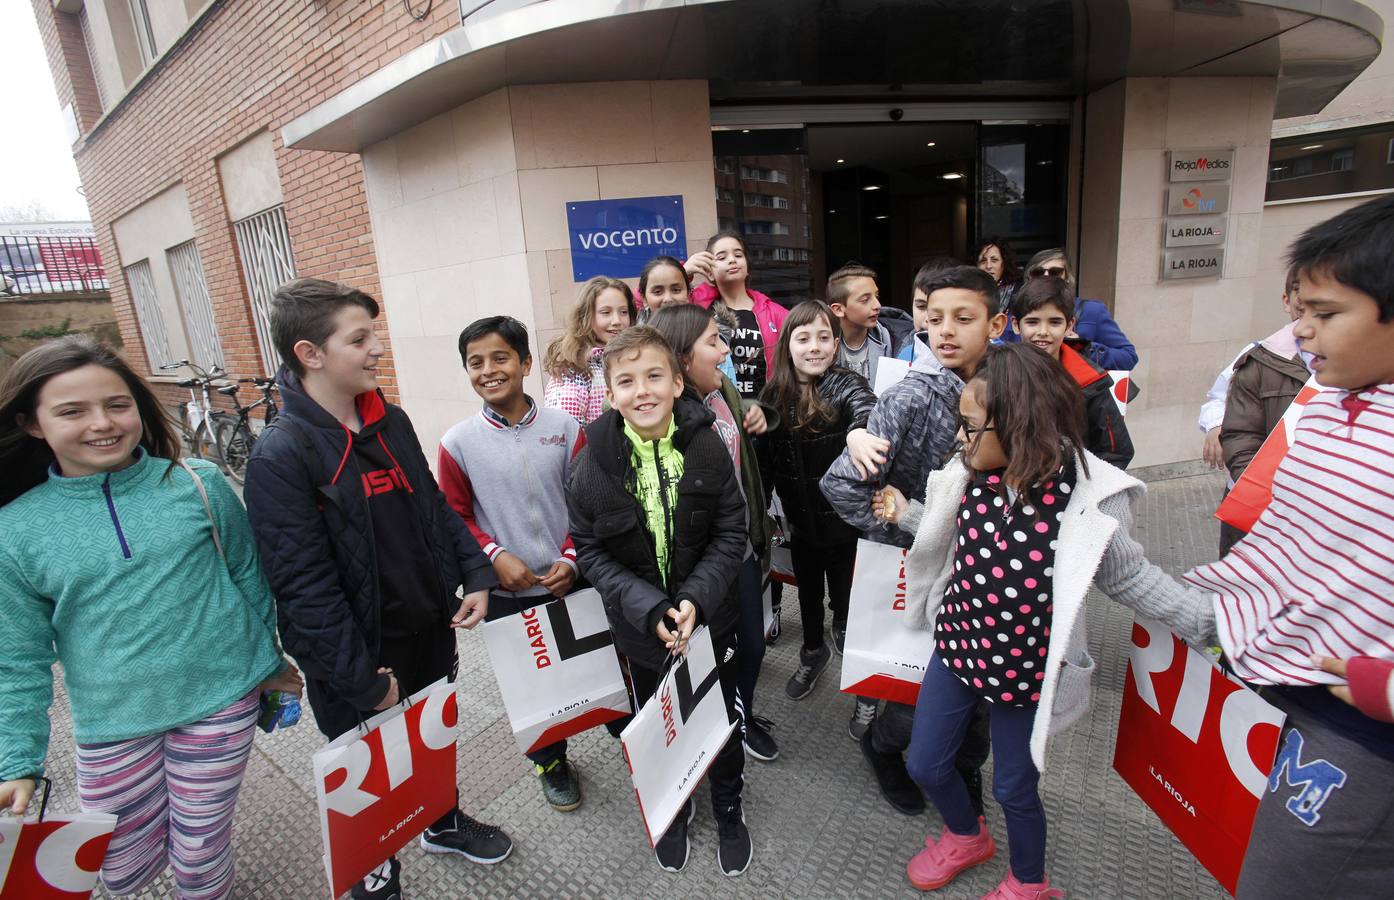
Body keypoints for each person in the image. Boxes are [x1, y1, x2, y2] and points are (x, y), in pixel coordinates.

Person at [1109, 195, 1394, 898]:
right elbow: (1289, 553)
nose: (1300, 331)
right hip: (1283, 683)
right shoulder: (1326, 404)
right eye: (1300, 308)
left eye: (1325, 313)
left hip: (1364, 730)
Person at [882, 342, 1213, 898]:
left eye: (971, 427)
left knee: (1014, 789)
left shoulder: (1086, 498)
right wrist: (906, 513)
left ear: (1019, 425)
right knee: (925, 764)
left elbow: (1130, 577)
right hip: (958, 647)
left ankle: (1028, 881)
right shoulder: (968, 472)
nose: (959, 438)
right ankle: (966, 835)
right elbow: (944, 533)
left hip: (1027, 673)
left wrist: (1208, 621)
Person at [0, 336, 300, 899]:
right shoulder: (13, 531)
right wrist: (17, 761)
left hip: (221, 701)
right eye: (72, 411)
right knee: (119, 868)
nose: (102, 423)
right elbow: (16, 659)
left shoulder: (197, 482)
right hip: (112, 725)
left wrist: (270, 662)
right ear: (32, 424)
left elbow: (248, 578)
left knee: (200, 852)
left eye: (117, 404)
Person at [243, 278, 511, 900]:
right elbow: (303, 588)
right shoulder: (281, 456)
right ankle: (375, 870)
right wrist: (359, 678)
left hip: (427, 626)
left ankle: (441, 823)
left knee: (429, 741)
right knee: (366, 775)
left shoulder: (390, 420)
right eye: (359, 339)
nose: (377, 349)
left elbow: (434, 508)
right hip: (358, 654)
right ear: (310, 354)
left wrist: (475, 572)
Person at [566, 326, 754, 876]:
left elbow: (731, 531)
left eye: (654, 376)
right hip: (642, 631)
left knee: (720, 719)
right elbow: (591, 551)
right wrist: (649, 609)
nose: (642, 390)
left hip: (710, 622)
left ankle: (728, 804)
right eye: (626, 381)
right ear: (609, 394)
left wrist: (697, 598)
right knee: (662, 720)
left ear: (676, 383)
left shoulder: (707, 445)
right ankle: (675, 800)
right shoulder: (589, 465)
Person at [820, 265, 1003, 817]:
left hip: (989, 573)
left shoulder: (1016, 387)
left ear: (996, 324)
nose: (945, 330)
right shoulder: (910, 398)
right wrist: (895, 534)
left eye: (963, 318)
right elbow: (840, 483)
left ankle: (966, 768)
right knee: (915, 686)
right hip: (919, 571)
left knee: (980, 697)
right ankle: (882, 748)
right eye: (935, 317)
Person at [438, 315, 587, 810]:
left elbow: (587, 501)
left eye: (500, 358)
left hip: (571, 581)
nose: (488, 370)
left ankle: (625, 733)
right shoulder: (457, 443)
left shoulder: (565, 429)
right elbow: (455, 515)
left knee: (595, 669)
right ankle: (551, 761)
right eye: (475, 363)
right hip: (509, 593)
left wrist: (572, 557)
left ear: (525, 363)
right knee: (532, 685)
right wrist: (495, 557)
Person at [649, 304, 780, 762]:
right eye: (713, 341)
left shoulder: (722, 388)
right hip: (705, 566)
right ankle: (720, 731)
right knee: (717, 655)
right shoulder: (667, 422)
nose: (725, 350)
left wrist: (758, 414)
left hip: (742, 547)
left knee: (753, 646)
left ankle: (739, 716)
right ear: (682, 359)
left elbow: (744, 442)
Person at [757, 300, 877, 698]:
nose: (814, 347)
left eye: (824, 337)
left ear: (835, 344)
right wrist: (761, 513)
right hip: (799, 523)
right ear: (787, 345)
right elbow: (763, 463)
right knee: (807, 592)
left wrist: (859, 432)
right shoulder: (773, 395)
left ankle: (843, 628)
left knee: (844, 588)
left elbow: (866, 409)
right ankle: (812, 651)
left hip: (844, 523)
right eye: (803, 338)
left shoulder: (846, 384)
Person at [1216, 270, 1312, 555]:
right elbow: (1240, 434)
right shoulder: (1260, 359)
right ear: (1288, 300)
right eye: (1303, 297)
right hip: (1265, 511)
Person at [1011, 276, 1134, 467]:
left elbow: (1116, 451)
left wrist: (1078, 482)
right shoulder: (997, 374)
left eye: (1054, 322)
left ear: (1069, 326)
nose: (1043, 331)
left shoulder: (1089, 381)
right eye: (1032, 322)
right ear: (1015, 325)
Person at [1198, 268, 1302, 475]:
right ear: (1287, 300)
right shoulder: (1259, 355)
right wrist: (1216, 425)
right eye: (1304, 303)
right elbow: (1219, 398)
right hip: (1260, 480)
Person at [691, 231, 788, 400]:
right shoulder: (697, 307)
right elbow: (650, 301)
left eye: (738, 255)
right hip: (716, 409)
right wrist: (684, 272)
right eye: (722, 257)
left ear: (747, 267)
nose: (732, 260)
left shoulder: (775, 313)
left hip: (764, 408)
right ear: (709, 272)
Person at [1003, 249, 1138, 371]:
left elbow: (1128, 357)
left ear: (1067, 277)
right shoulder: (1017, 312)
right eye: (1038, 273)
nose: (1046, 276)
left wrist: (1084, 348)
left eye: (1055, 272)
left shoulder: (1092, 311)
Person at [543, 275, 637, 427]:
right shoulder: (575, 367)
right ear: (585, 316)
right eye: (605, 312)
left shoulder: (634, 356)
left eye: (623, 312)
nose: (617, 321)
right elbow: (565, 428)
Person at [638, 255, 738, 385]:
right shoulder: (635, 346)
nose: (668, 298)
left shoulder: (713, 340)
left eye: (676, 290)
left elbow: (729, 392)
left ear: (688, 293)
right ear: (644, 298)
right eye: (657, 292)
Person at [828, 262, 895, 386]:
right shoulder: (822, 345)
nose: (878, 305)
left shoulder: (894, 340)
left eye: (877, 296)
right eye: (865, 300)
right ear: (838, 309)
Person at [897, 257, 962, 363]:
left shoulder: (985, 361)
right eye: (921, 307)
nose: (929, 318)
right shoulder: (905, 355)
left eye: (939, 310)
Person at [975, 237, 1022, 316]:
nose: (988, 266)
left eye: (994, 260)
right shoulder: (968, 291)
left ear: (1004, 264)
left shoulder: (1018, 291)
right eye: (983, 261)